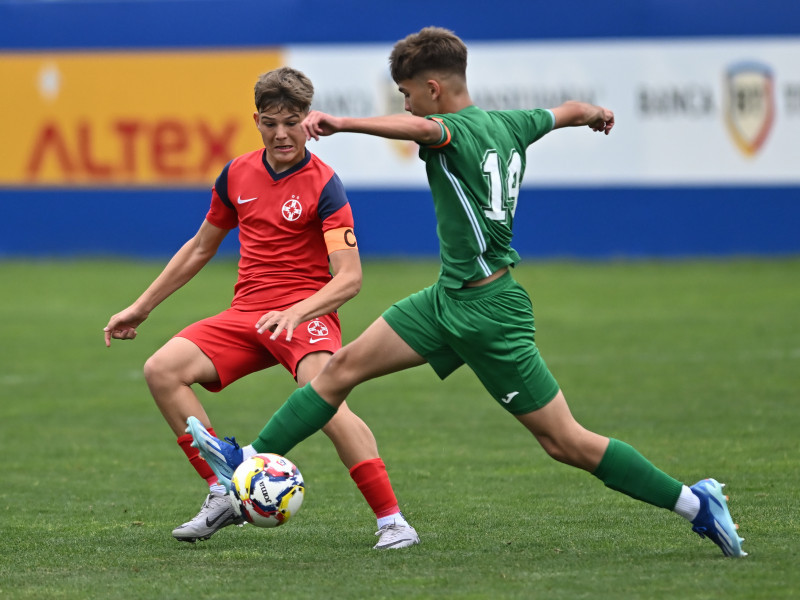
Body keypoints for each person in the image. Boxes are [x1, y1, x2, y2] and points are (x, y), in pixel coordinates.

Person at [188, 28, 746, 557]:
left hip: (490, 315)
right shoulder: (511, 122)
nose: (406, 105)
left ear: (433, 89)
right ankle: (249, 463)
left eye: (407, 94)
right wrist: (595, 114)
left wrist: (344, 123)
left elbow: (423, 131)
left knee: (565, 442)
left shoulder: (453, 129)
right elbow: (565, 112)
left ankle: (696, 503)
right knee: (339, 371)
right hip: (445, 301)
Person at [104, 66, 419, 550]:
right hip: (247, 314)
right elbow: (199, 248)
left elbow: (350, 278)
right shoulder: (237, 173)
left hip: (306, 317)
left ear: (307, 120)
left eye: (292, 122)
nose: (281, 133)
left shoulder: (325, 185)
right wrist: (140, 307)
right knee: (162, 369)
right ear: (256, 120)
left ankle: (393, 522)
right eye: (271, 122)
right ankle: (223, 492)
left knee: (326, 402)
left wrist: (299, 312)